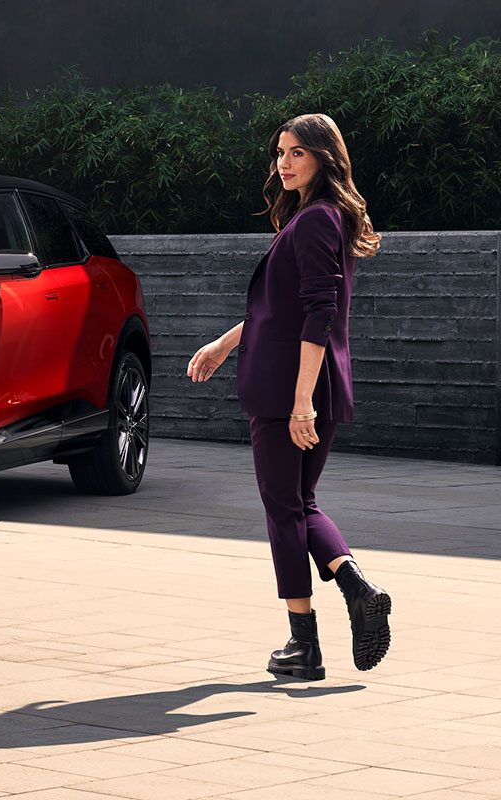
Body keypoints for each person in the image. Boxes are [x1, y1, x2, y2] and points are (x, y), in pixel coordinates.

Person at [185, 113, 391, 680]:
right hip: (303, 382)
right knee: (301, 502)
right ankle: (355, 588)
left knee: (283, 508)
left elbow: (318, 314)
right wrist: (226, 344)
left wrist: (301, 402)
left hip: (290, 389)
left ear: (325, 157)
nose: (284, 162)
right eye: (280, 152)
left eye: (298, 153)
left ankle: (305, 645)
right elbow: (280, 311)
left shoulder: (317, 221)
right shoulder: (315, 219)